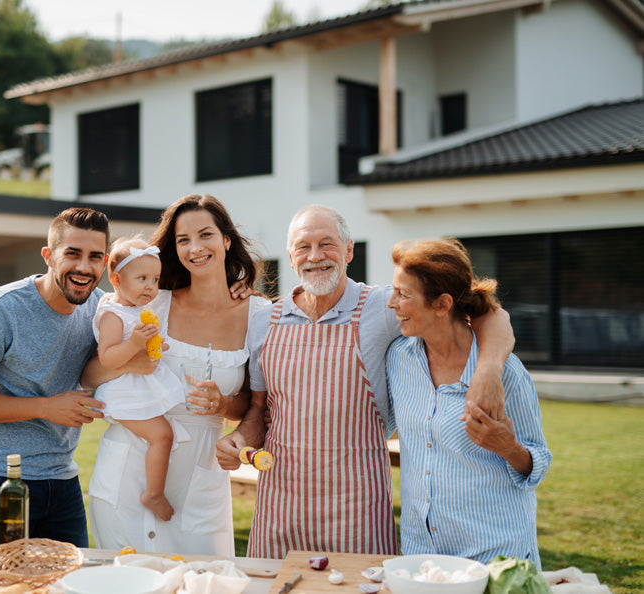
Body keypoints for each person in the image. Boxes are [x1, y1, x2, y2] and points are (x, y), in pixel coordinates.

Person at [216, 204, 516, 559]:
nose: (315, 256)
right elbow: (257, 411)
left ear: (348, 250)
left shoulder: (383, 307)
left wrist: (489, 369)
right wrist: (237, 439)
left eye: (327, 244)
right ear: (290, 256)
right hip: (280, 502)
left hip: (356, 506)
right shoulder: (265, 319)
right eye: (303, 247)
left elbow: (490, 314)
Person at [86, 194, 272, 556]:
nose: (195, 248)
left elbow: (252, 405)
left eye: (205, 235)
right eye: (183, 240)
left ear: (226, 240)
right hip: (129, 469)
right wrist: (128, 364)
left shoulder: (259, 314)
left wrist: (223, 402)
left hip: (201, 480)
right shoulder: (151, 301)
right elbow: (89, 377)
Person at [0, 207, 125, 548]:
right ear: (48, 256)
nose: (84, 267)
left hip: (63, 478)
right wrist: (46, 407)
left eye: (95, 257)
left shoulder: (103, 311)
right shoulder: (1, 308)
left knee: (69, 584)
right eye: (73, 254)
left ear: (105, 264)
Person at [385, 237, 552, 567]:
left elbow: (539, 463)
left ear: (442, 304)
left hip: (493, 553)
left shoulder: (507, 374)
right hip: (423, 555)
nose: (392, 303)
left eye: (403, 295)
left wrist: (509, 448)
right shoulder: (398, 360)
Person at [91, 235, 182, 521]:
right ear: (116, 280)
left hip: (136, 387)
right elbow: (107, 357)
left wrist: (154, 345)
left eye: (155, 279)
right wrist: (134, 345)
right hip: (123, 393)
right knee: (163, 436)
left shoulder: (134, 310)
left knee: (164, 435)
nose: (150, 287)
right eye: (142, 278)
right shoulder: (112, 315)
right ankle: (153, 494)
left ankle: (153, 491)